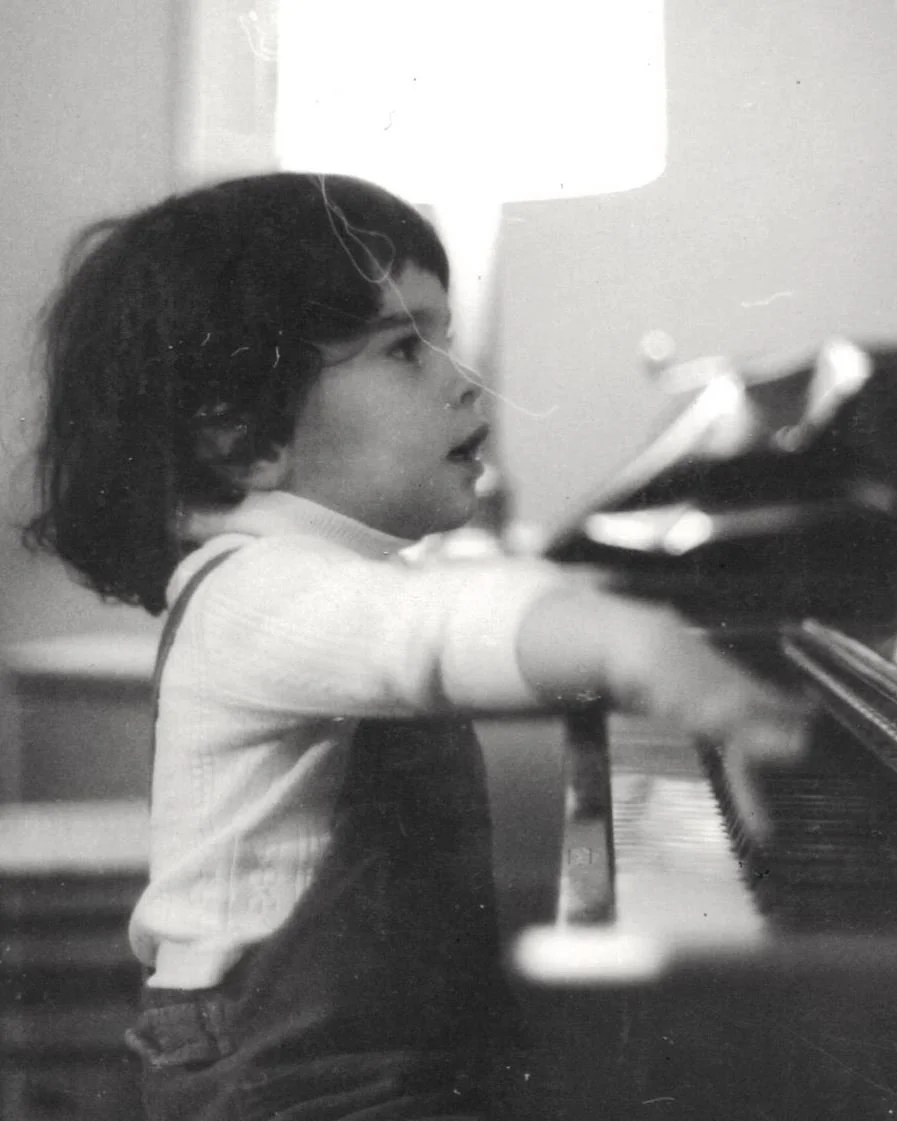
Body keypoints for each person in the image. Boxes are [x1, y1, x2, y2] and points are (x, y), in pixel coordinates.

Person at [24, 172, 797, 1121]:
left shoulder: (315, 576)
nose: (465, 376)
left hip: (370, 1055)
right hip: (296, 1084)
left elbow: (448, 612)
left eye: (444, 336)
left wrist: (593, 616)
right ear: (242, 436)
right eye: (404, 348)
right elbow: (437, 633)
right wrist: (638, 646)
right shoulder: (261, 590)